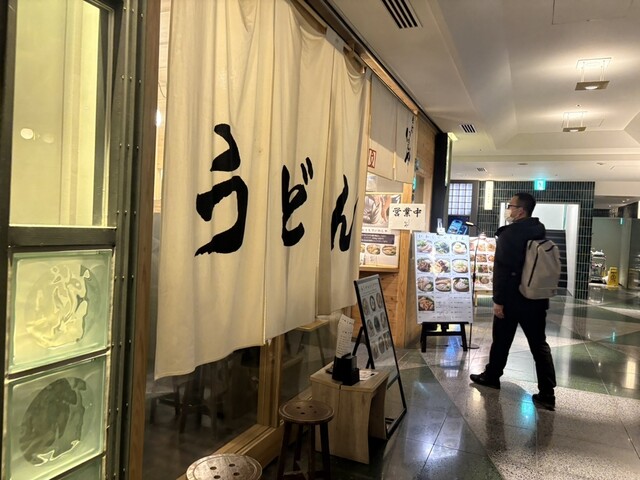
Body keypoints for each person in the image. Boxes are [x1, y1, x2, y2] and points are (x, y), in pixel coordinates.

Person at [470, 192, 557, 411]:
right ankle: (547, 393)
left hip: (511, 299)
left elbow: (502, 270)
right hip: (536, 298)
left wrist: (498, 301)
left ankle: (492, 376)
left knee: (501, 340)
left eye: (511, 206)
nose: (509, 210)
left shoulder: (509, 235)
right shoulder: (539, 230)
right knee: (539, 344)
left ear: (521, 211)